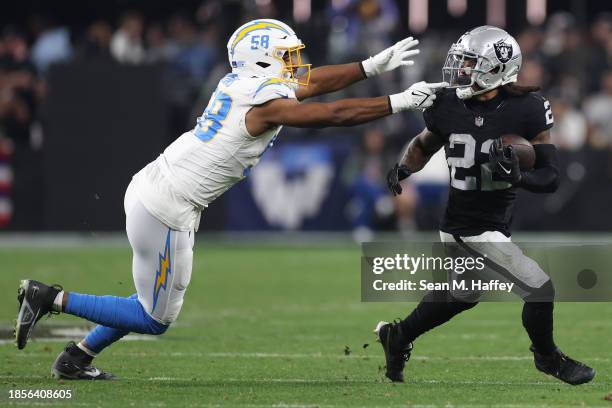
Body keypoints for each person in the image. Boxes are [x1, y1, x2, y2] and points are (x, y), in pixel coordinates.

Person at [15, 19, 445, 380]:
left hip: (160, 190)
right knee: (155, 318)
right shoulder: (261, 99)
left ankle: (76, 358)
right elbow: (330, 114)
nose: (295, 64)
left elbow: (308, 83)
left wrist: (368, 66)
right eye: (286, 55)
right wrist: (398, 101)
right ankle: (49, 298)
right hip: (167, 204)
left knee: (150, 301)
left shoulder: (243, 80)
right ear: (264, 59)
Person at [378, 26, 595, 385]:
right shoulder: (447, 103)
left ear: (497, 68)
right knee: (540, 288)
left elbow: (551, 177)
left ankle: (397, 336)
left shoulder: (527, 109)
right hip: (468, 226)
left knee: (462, 294)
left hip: (489, 221)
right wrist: (404, 168)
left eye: (468, 63)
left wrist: (517, 177)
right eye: (460, 62)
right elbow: (424, 143)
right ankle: (548, 358)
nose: (459, 70)